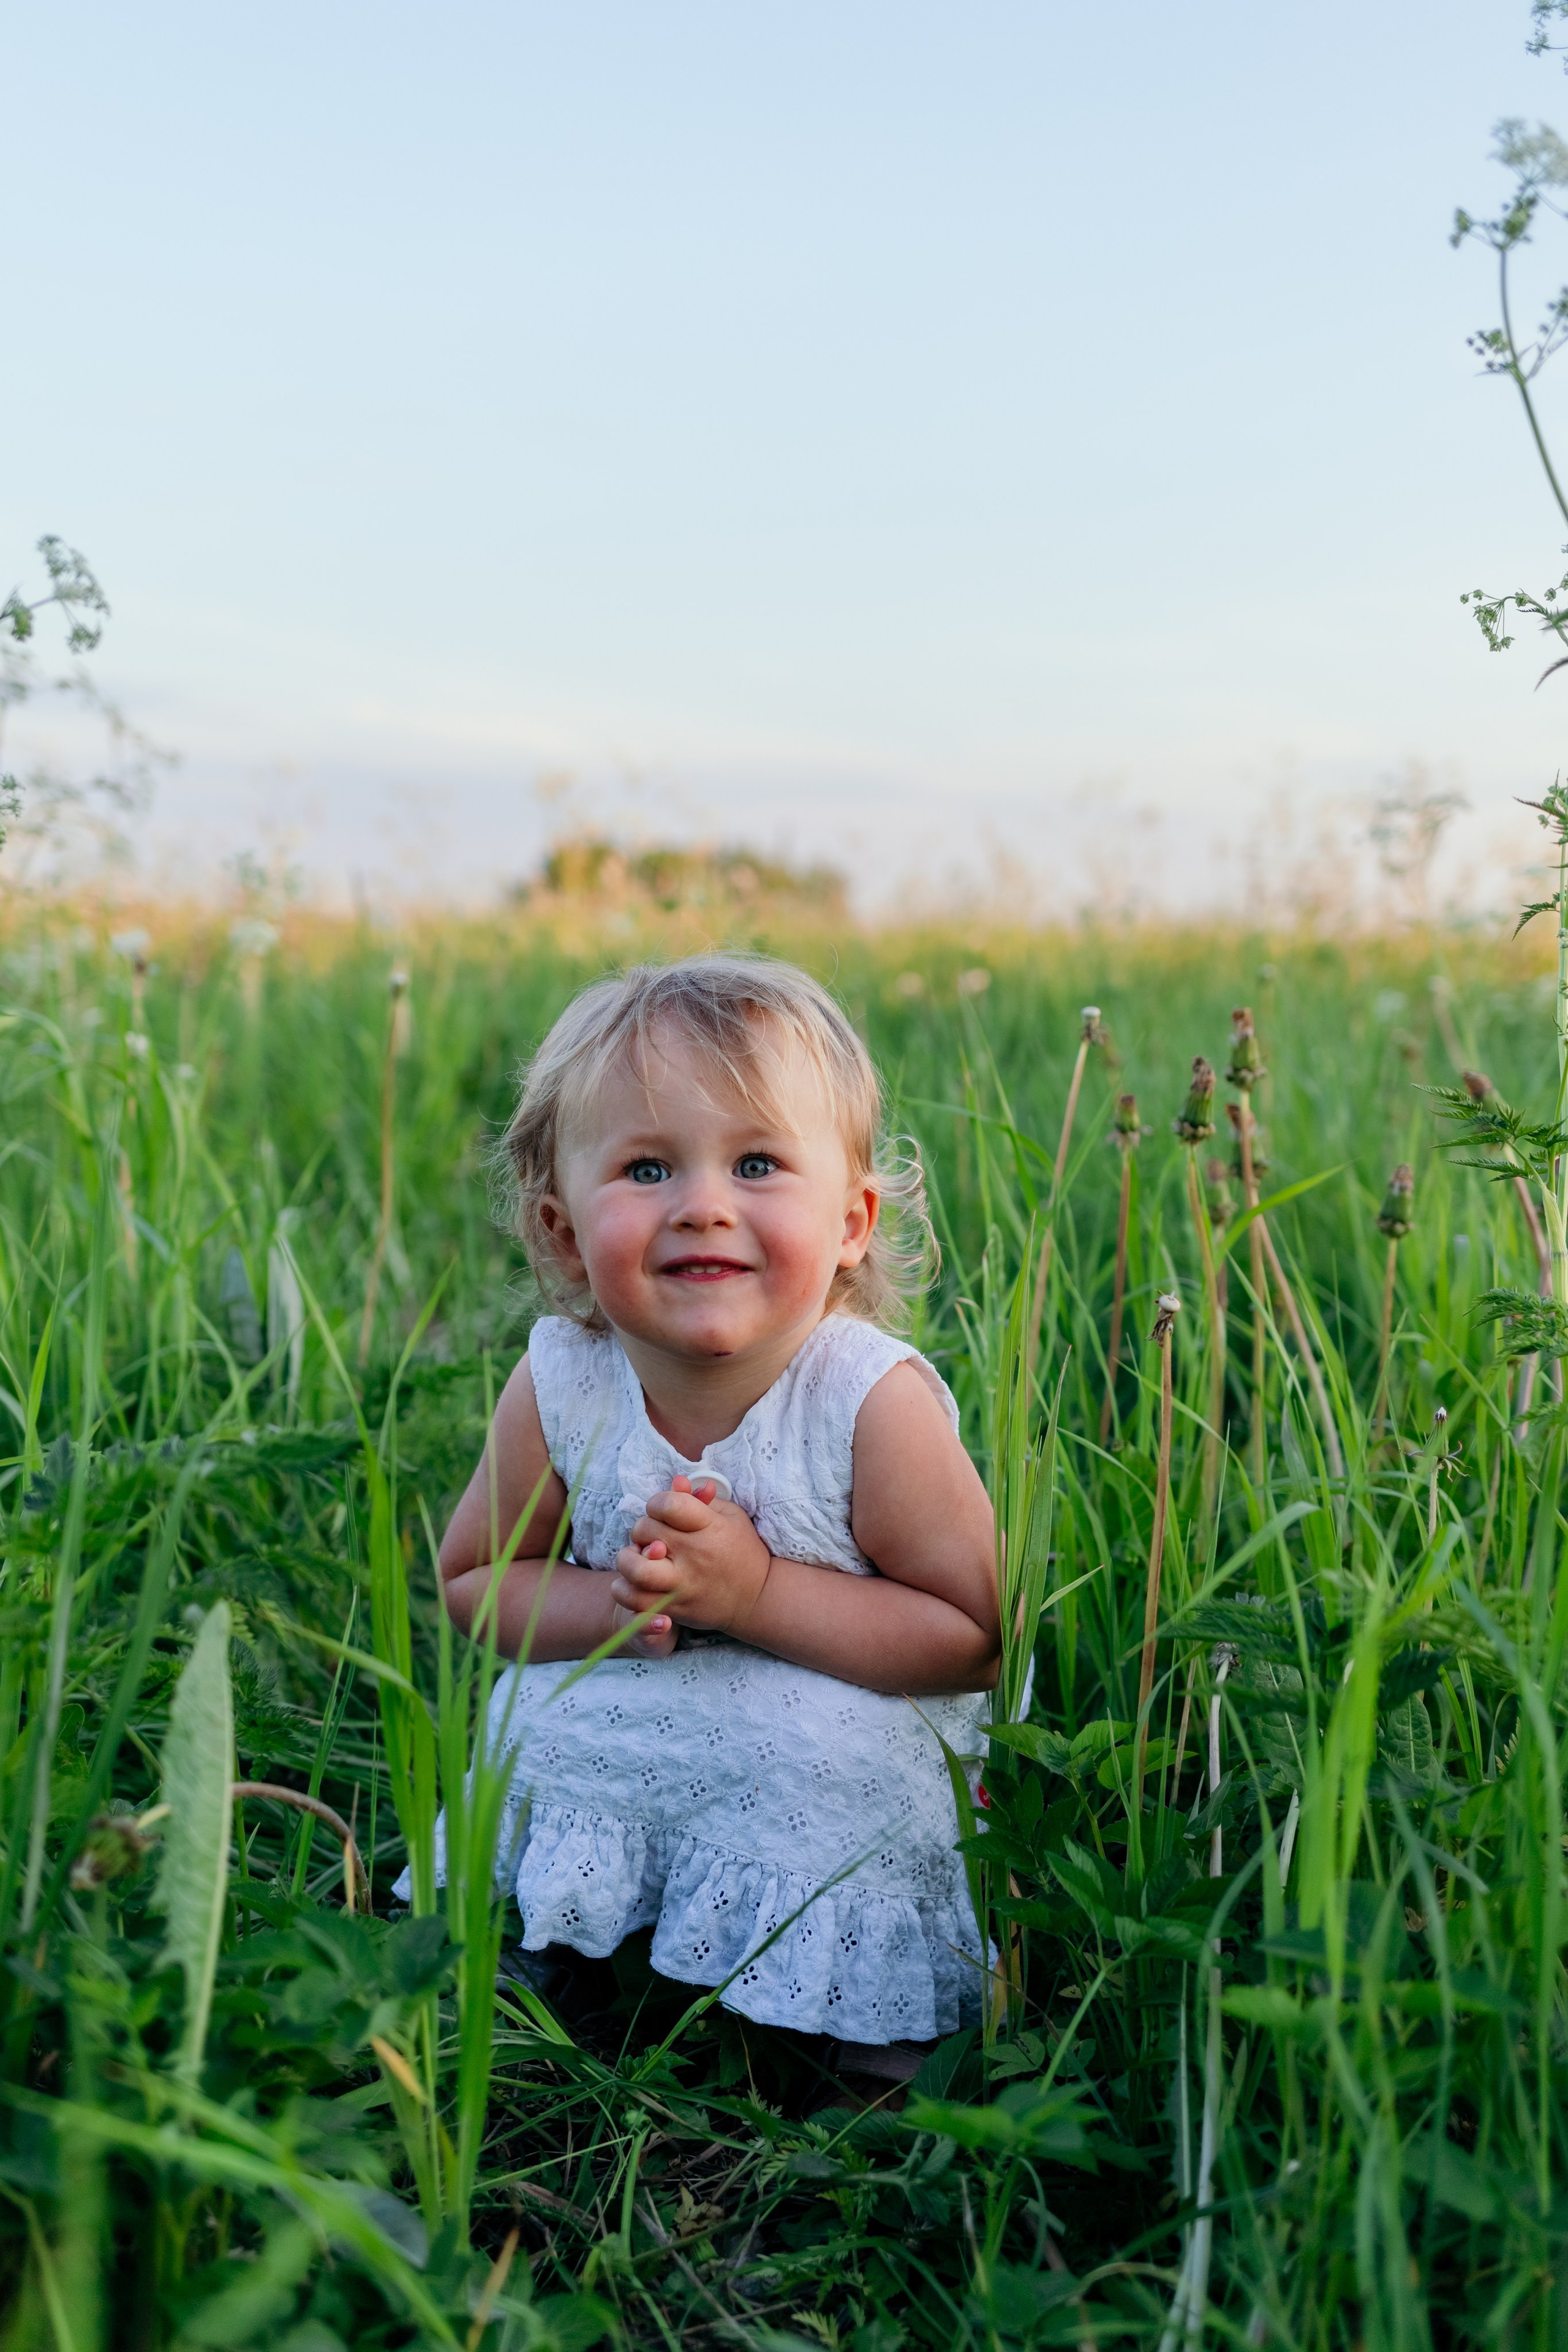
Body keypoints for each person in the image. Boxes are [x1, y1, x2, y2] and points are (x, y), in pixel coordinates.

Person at [432, 953, 998, 2050]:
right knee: (530, 1717)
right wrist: (615, 1612)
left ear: (851, 1221)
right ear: (561, 1230)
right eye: (647, 1170)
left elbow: (972, 1636)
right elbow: (476, 1580)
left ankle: (876, 2036)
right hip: (655, 1692)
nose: (702, 1207)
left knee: (837, 1762)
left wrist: (757, 1593)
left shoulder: (865, 1401)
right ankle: (568, 1943)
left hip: (843, 1707)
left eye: (756, 1163)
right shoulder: (561, 1382)